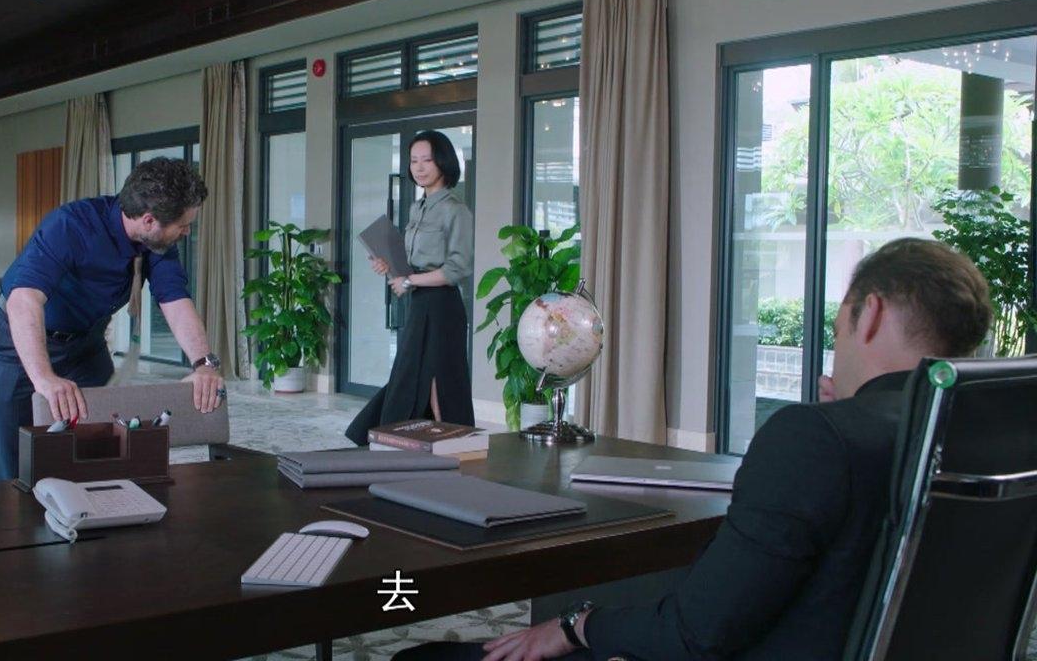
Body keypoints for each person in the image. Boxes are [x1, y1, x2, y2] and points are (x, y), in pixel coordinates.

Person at [393, 237, 992, 661]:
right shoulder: (985, 436)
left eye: (837, 331)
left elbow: (697, 632)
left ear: (872, 315)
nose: (838, 351)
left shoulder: (815, 439)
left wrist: (575, 625)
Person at [0, 157, 226, 481]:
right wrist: (44, 378)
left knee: (100, 433)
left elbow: (175, 299)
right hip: (17, 335)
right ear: (149, 220)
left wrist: (203, 364)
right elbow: (24, 301)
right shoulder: (70, 225)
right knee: (15, 450)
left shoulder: (157, 242)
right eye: (183, 224)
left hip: (84, 339)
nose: (187, 231)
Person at [345, 130, 475, 445]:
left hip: (443, 307)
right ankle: (400, 439)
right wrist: (389, 267)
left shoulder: (456, 210)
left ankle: (451, 444)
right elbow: (409, 264)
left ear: (442, 162)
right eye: (414, 160)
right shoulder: (418, 208)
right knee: (410, 373)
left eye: (426, 160)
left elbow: (457, 269)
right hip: (419, 303)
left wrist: (409, 280)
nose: (419, 167)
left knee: (438, 379)